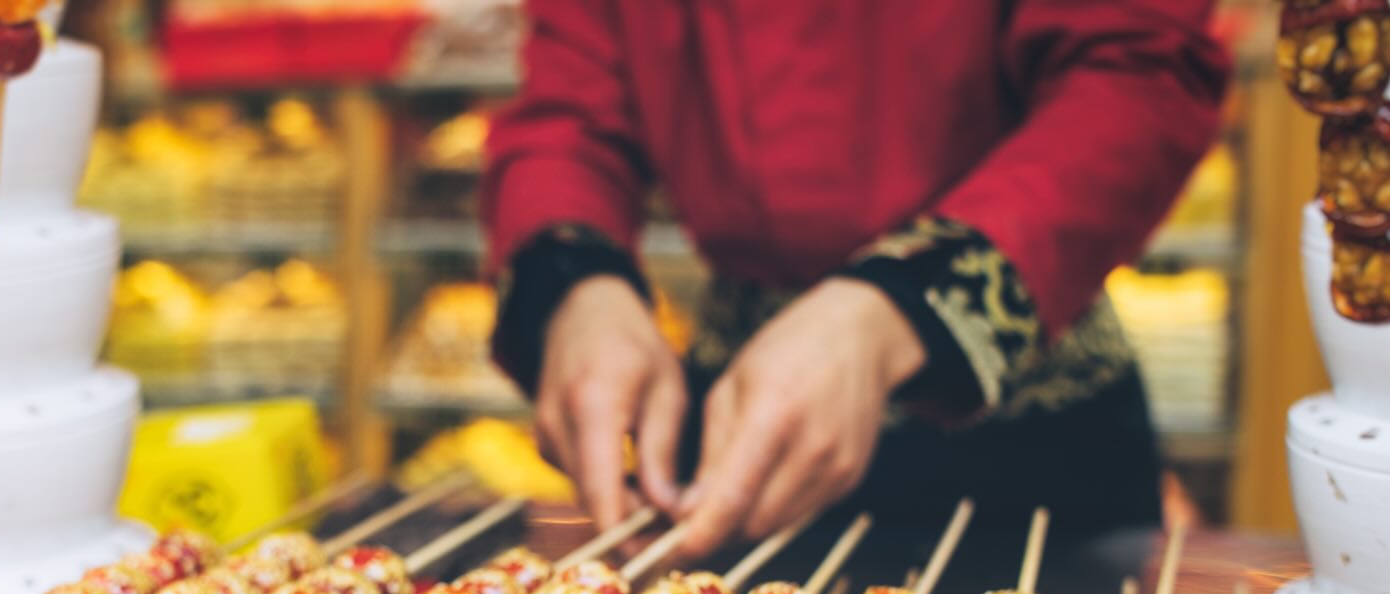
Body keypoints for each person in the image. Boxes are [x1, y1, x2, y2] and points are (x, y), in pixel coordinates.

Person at [483, 1, 1229, 559]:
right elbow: (569, 101)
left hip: (1030, 433)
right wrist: (575, 282)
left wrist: (896, 311)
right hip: (732, 438)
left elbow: (1137, 70)